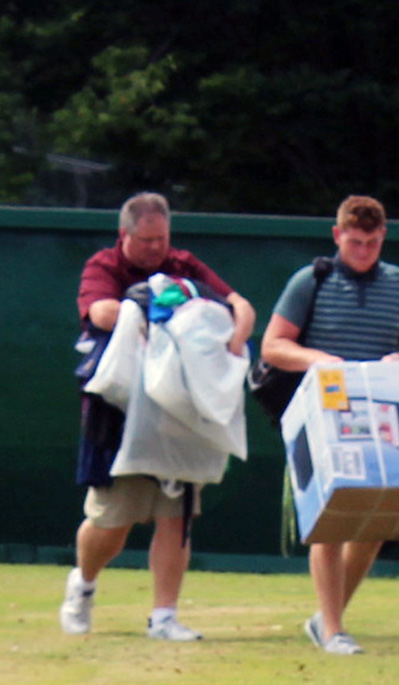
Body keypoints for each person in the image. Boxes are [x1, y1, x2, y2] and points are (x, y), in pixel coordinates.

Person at [60, 192, 255, 640]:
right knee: (112, 520)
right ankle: (84, 584)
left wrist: (235, 337)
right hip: (120, 414)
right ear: (124, 235)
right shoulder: (104, 266)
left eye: (161, 239)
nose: (155, 249)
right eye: (146, 240)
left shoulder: (184, 264)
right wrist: (150, 306)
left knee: (177, 514)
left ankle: (164, 616)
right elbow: (100, 311)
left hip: (180, 412)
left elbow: (239, 306)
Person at [261, 195, 399, 655]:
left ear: (384, 237)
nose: (364, 251)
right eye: (355, 242)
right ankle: (333, 630)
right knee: (332, 521)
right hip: (322, 415)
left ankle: (327, 618)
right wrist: (320, 360)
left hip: (379, 415)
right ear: (338, 236)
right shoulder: (310, 281)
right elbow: (273, 346)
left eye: (373, 243)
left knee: (373, 524)